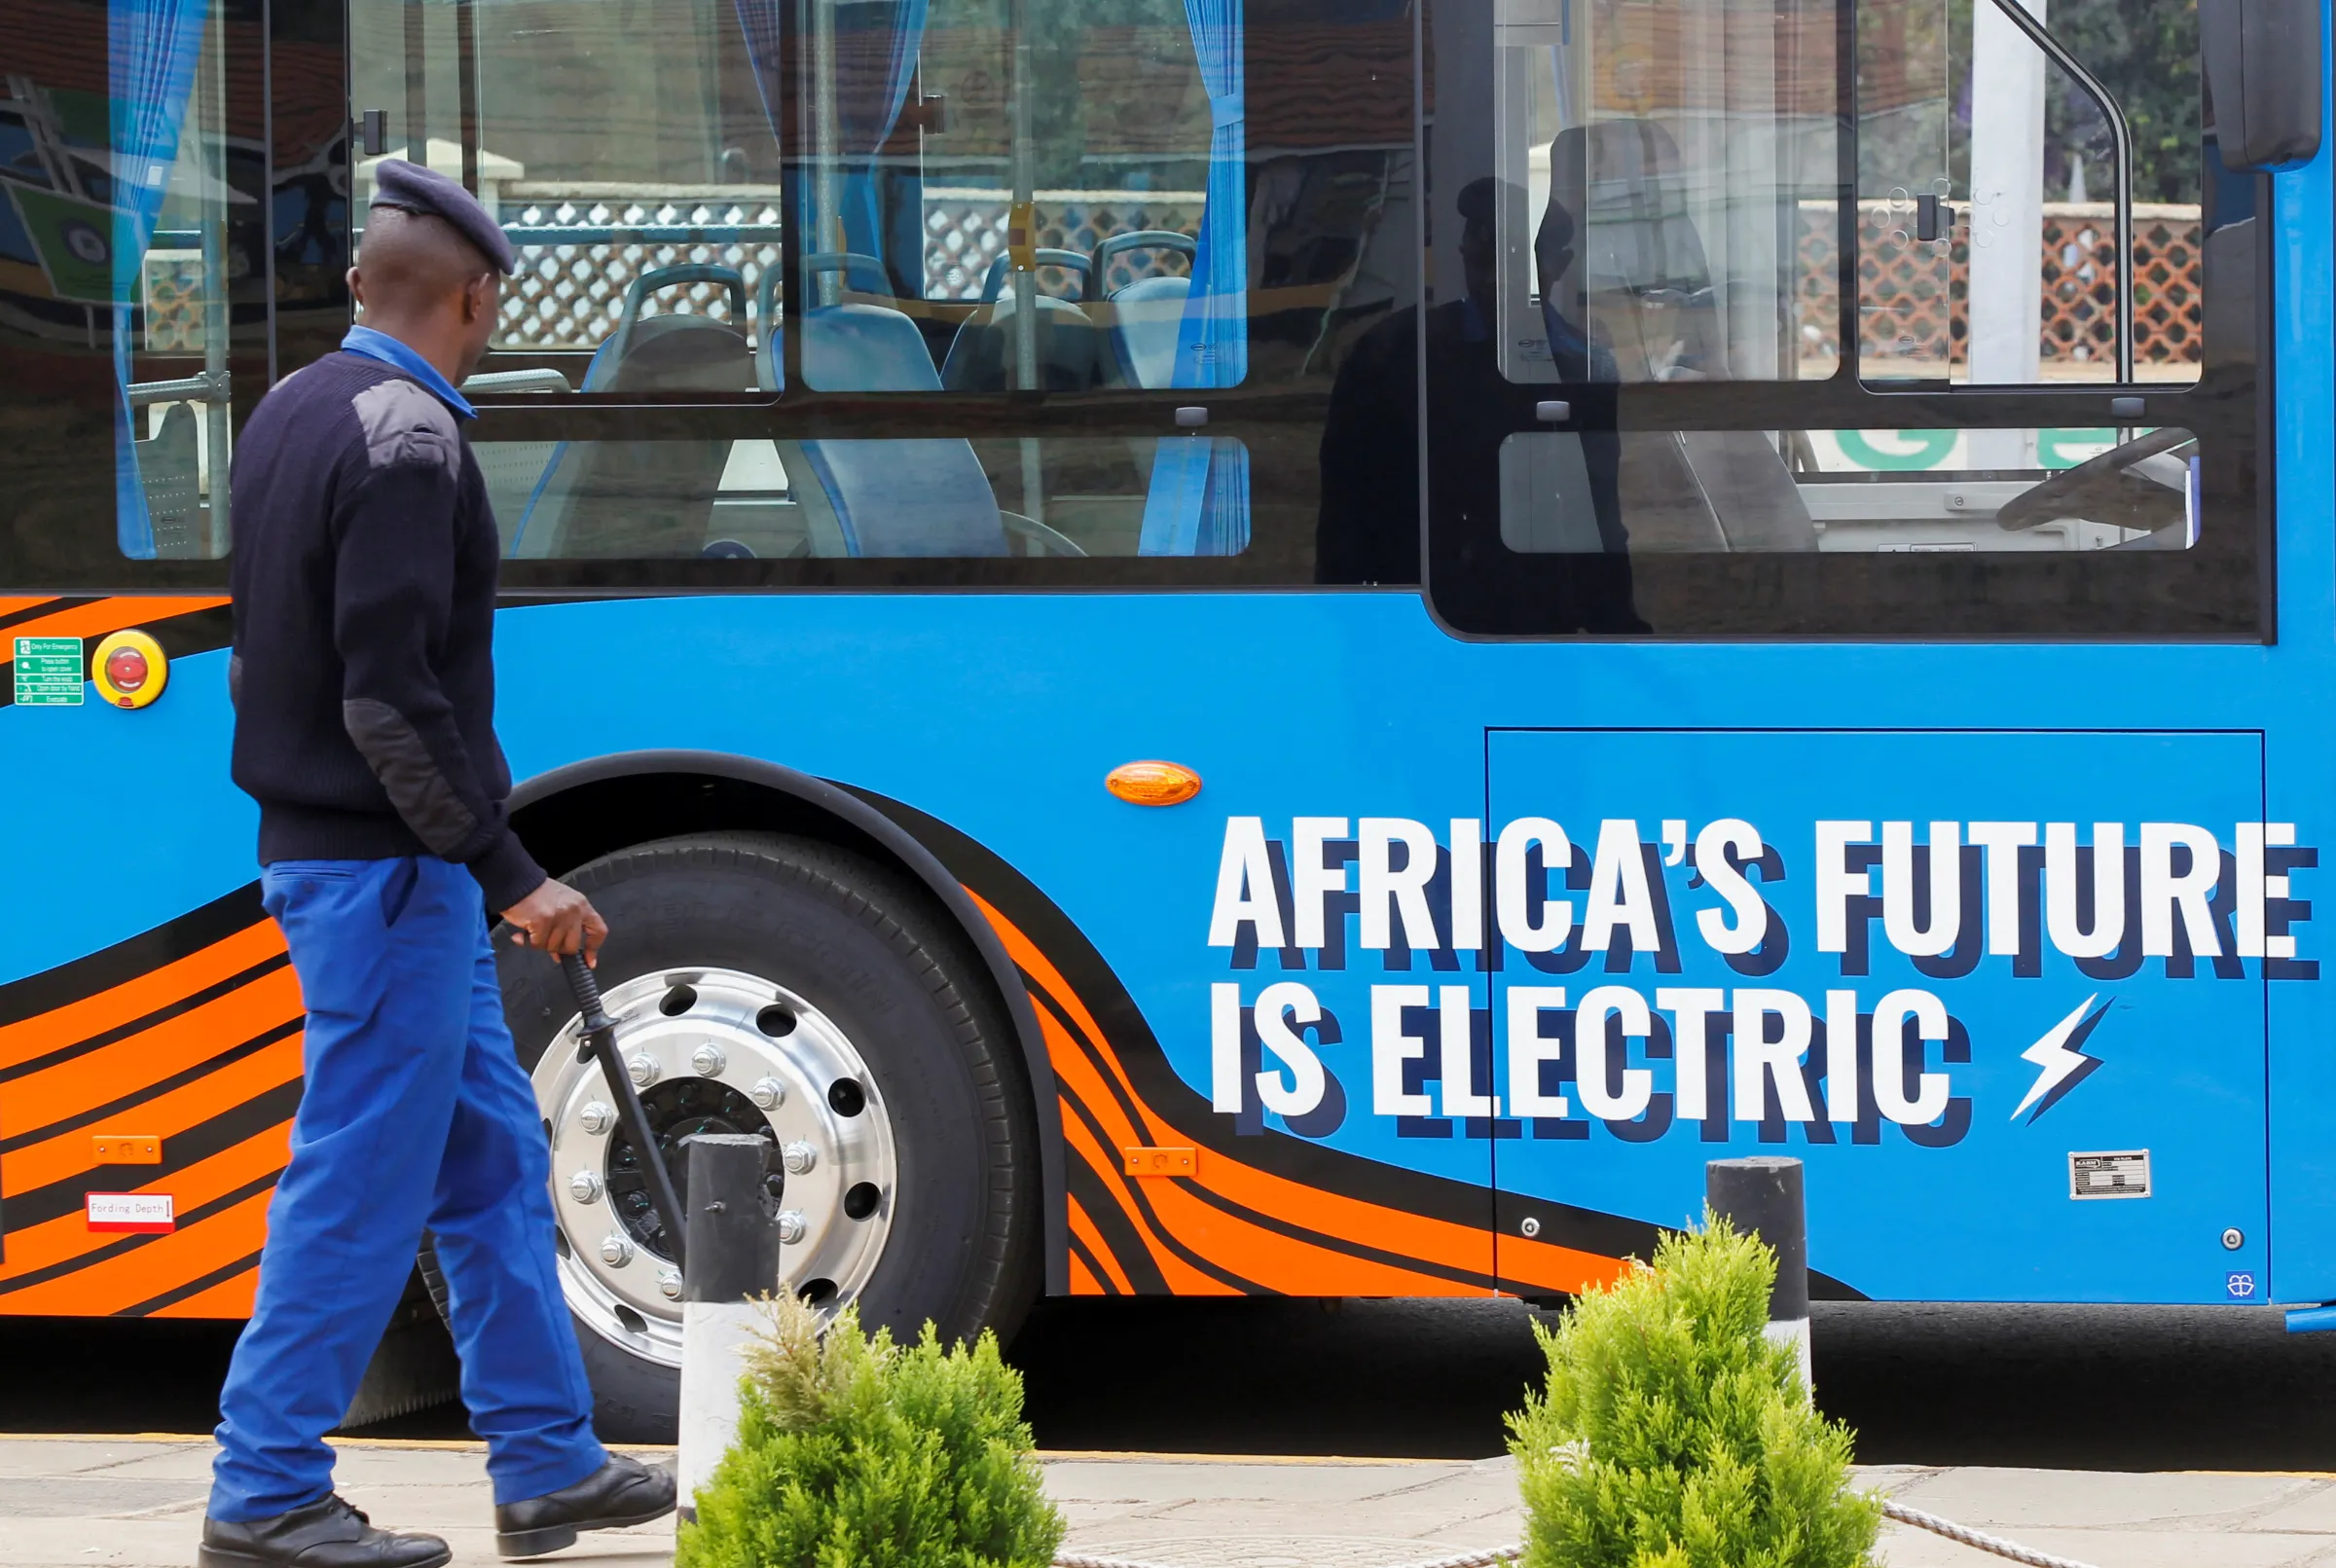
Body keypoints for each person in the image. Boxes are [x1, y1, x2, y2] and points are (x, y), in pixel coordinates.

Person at [203, 160, 675, 1568]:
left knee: (487, 1163)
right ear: (474, 298)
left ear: (362, 284)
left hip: (365, 869)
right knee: (359, 1177)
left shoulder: (291, 412)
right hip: (387, 877)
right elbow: (387, 702)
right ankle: (265, 1488)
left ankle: (548, 1463)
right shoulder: (413, 444)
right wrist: (512, 870)